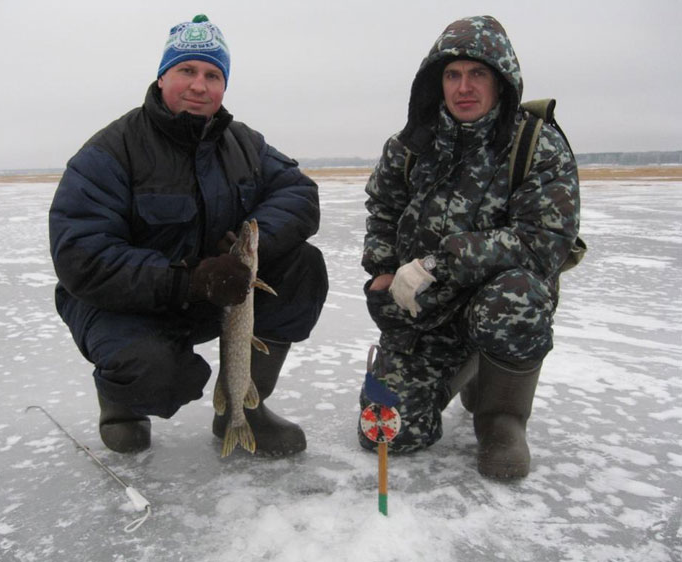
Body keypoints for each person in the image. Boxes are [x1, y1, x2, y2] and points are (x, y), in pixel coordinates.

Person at [49, 14, 328, 456]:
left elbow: (298, 192)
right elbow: (83, 257)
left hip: (213, 296)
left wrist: (243, 255)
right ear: (163, 76)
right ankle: (121, 402)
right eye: (187, 70)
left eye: (213, 75)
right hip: (122, 306)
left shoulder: (244, 143)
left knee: (302, 265)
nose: (200, 85)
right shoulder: (109, 151)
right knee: (157, 374)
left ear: (223, 86)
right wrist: (188, 279)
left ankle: (241, 408)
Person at [358, 15, 580, 478]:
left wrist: (441, 261)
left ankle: (502, 418)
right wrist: (381, 270)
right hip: (426, 310)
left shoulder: (537, 145)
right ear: (436, 82)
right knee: (388, 436)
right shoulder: (409, 145)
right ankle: (461, 370)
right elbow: (382, 209)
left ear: (500, 82)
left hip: (493, 300)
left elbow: (543, 241)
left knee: (515, 296)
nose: (464, 87)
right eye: (452, 74)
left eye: (477, 74)